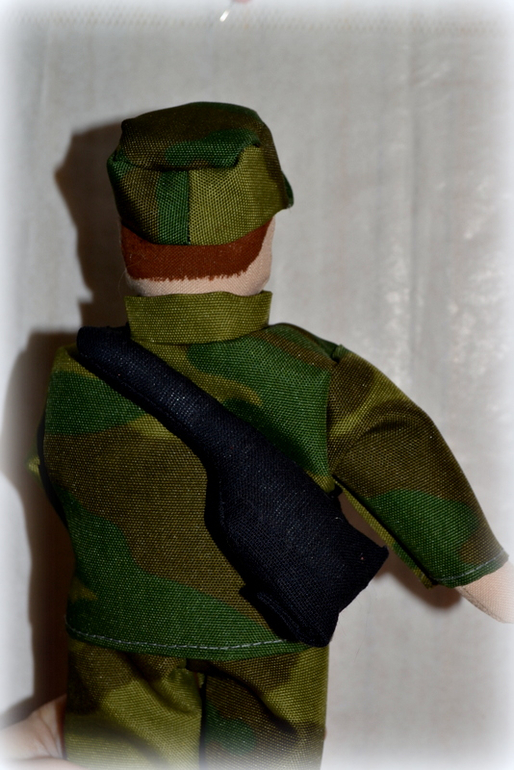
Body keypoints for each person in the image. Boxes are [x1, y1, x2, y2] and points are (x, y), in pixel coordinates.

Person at [26, 102, 513, 769]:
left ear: (126, 241)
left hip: (115, 635)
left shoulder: (71, 374)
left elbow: (55, 476)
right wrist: (493, 582)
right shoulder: (315, 375)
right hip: (270, 636)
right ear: (263, 236)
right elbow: (407, 466)